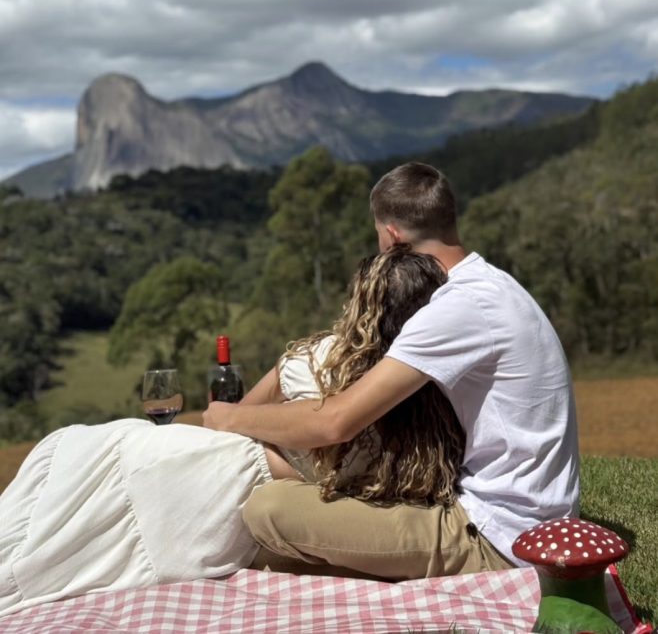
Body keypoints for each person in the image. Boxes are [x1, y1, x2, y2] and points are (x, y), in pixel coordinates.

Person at [0, 247, 460, 618]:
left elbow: (229, 415)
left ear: (362, 302)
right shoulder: (437, 404)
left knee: (77, 474)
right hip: (237, 493)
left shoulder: (319, 358)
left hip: (215, 467)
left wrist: (245, 423)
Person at [203, 162, 580, 581]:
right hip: (535, 521)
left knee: (268, 511)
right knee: (273, 554)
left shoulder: (457, 308)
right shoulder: (495, 286)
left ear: (392, 237)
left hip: (498, 537)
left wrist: (229, 417)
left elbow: (335, 421)